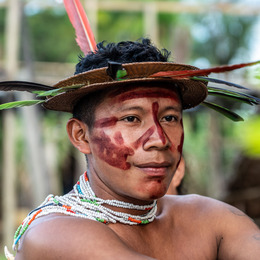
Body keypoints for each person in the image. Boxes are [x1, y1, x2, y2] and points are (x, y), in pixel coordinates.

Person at [5, 38, 260, 259]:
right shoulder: (54, 234)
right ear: (81, 136)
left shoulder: (211, 219)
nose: (159, 140)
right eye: (131, 118)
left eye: (170, 118)